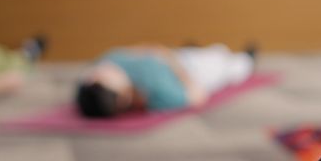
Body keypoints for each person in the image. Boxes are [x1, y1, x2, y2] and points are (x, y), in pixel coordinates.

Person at [75, 43, 253, 118]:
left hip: (178, 56)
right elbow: (197, 96)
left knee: (213, 52)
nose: (98, 72)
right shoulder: (155, 91)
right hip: (196, 71)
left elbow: (146, 48)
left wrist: (164, 54)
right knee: (224, 57)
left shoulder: (109, 62)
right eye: (100, 77)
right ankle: (247, 58)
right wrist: (180, 71)